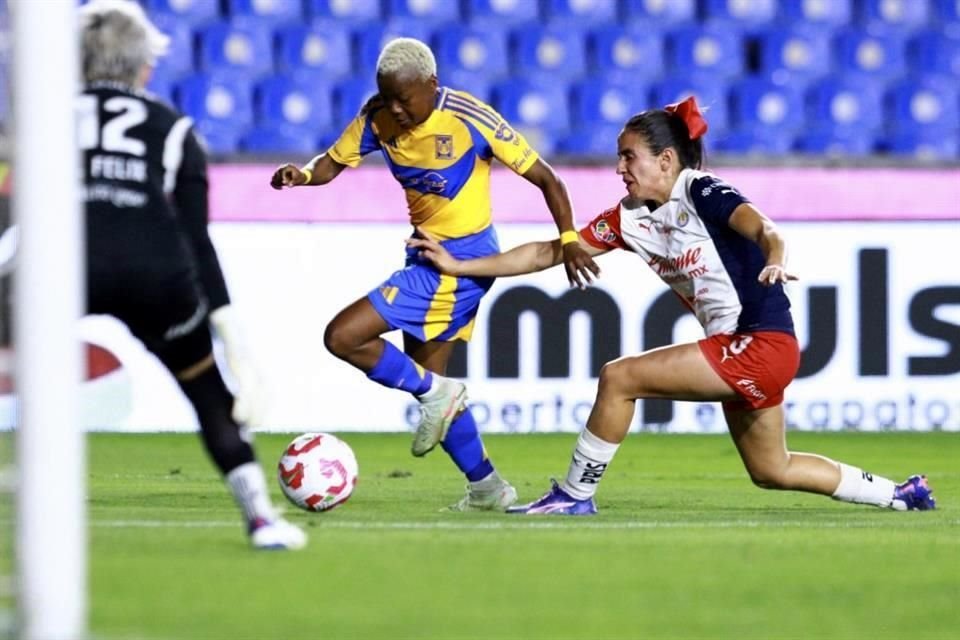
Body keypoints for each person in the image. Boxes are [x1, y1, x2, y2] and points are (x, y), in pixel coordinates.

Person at [408, 96, 936, 515]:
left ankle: (573, 495)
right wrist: (460, 266)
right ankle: (901, 494)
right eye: (619, 156)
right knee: (772, 469)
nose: (619, 167)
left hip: (757, 342)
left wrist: (774, 257)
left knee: (619, 378)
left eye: (628, 156)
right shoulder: (629, 216)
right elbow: (551, 251)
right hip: (747, 349)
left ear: (665, 160)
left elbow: (764, 228)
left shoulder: (700, 190)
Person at [270, 37, 599, 511]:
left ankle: (435, 394)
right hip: (424, 257)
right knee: (433, 391)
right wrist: (301, 175)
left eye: (404, 98)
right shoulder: (377, 118)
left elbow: (547, 176)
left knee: (343, 337)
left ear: (432, 85)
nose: (396, 109)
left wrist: (569, 240)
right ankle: (487, 488)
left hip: (461, 263)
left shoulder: (470, 118)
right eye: (388, 98)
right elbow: (331, 162)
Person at [78, 0, 306, 548]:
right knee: (206, 390)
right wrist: (235, 342)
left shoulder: (43, 117)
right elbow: (196, 240)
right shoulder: (174, 129)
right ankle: (259, 518)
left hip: (65, 265)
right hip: (154, 274)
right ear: (145, 68)